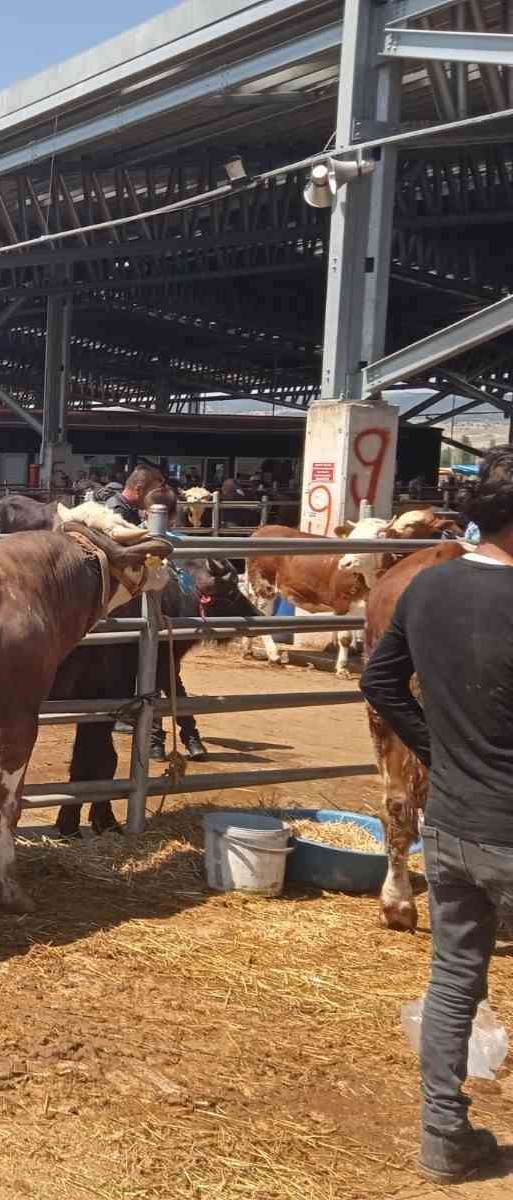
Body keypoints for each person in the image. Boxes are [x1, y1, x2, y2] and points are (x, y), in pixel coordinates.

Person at [360, 445, 513, 1184]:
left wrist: (437, 749)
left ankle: (443, 1140)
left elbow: (379, 679)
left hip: (450, 821)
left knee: (455, 979)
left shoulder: (426, 588)